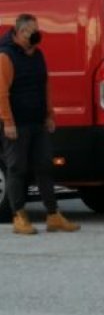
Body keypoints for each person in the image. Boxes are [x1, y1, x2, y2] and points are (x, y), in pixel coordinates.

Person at [0, 14, 79, 234]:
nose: (36, 33)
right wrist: (7, 122)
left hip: (37, 122)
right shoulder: (5, 56)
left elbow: (45, 86)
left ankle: (53, 215)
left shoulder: (38, 55)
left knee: (44, 166)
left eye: (37, 29)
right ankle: (19, 216)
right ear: (20, 32)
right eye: (32, 30)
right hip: (16, 124)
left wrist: (49, 115)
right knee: (17, 169)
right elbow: (2, 93)